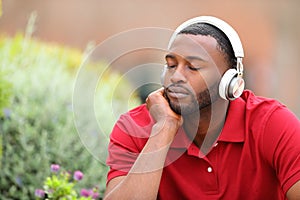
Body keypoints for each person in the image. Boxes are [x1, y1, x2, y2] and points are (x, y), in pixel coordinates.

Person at [104, 16, 300, 199]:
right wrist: (164, 129)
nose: (176, 77)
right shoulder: (134, 127)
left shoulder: (272, 123)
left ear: (229, 81)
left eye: (193, 67)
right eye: (171, 65)